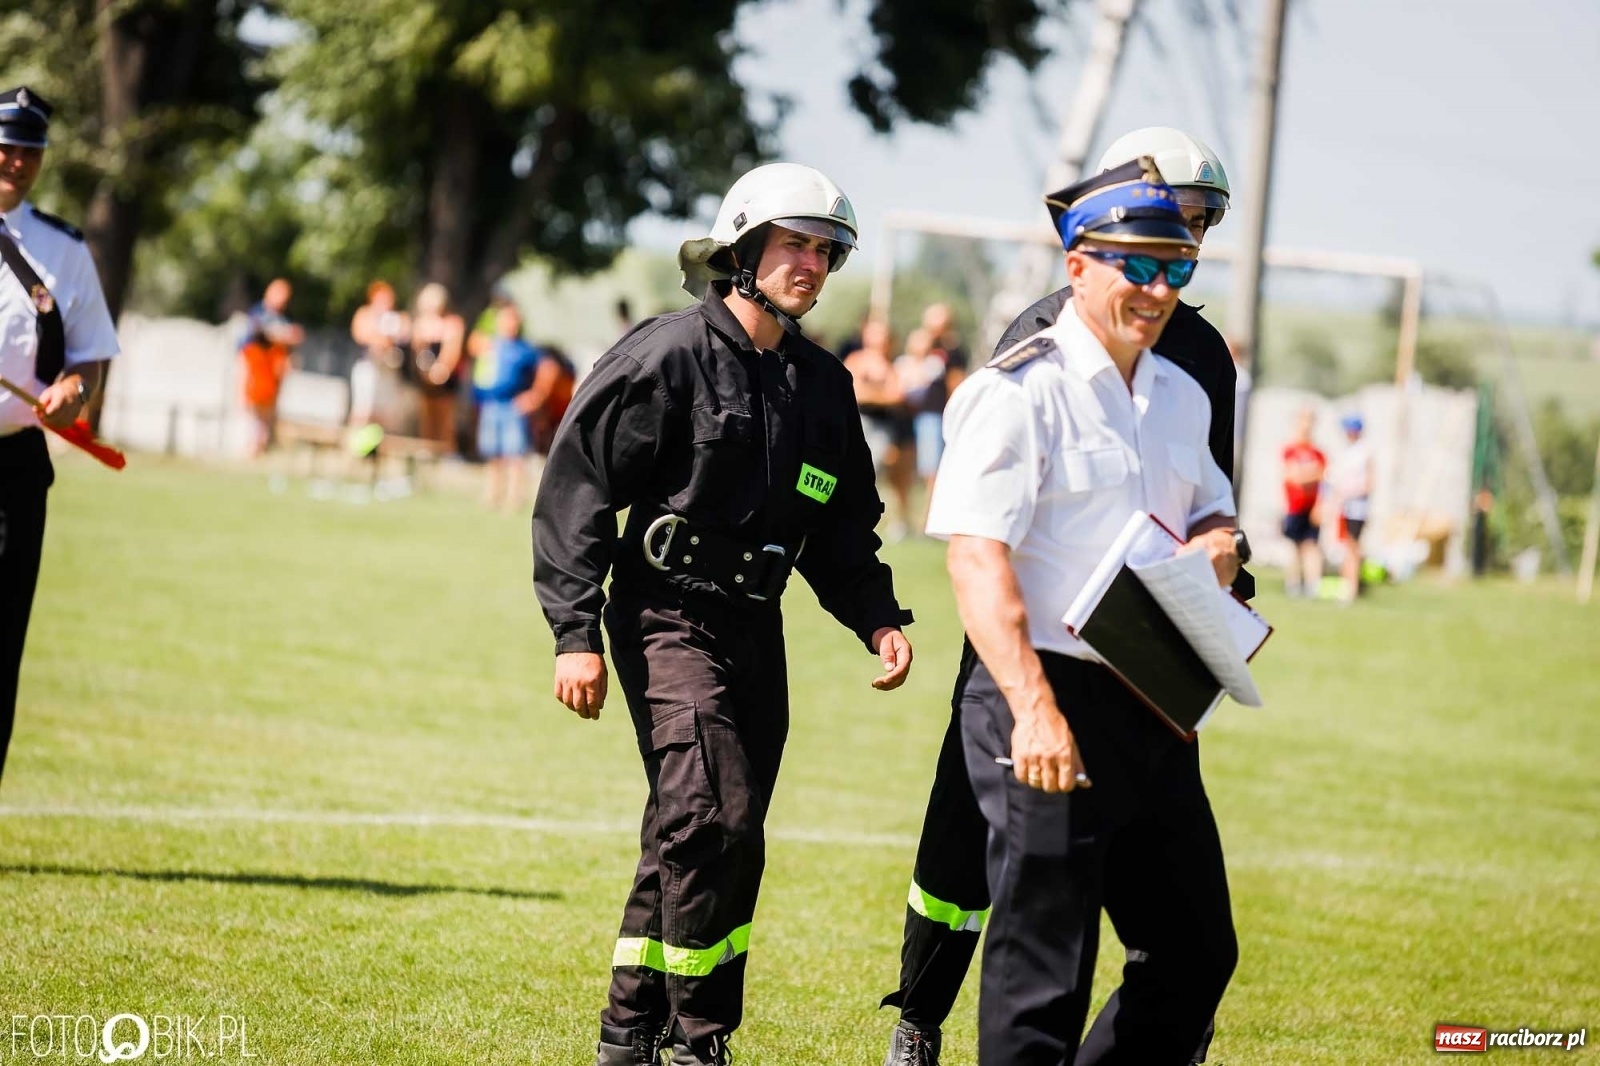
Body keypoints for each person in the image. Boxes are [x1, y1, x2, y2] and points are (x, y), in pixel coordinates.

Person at [532, 162, 915, 1066]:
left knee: (693, 830)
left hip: (758, 629)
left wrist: (877, 618)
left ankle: (628, 1036)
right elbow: (576, 491)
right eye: (794, 244)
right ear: (742, 250)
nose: (813, 265)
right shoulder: (663, 356)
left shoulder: (825, 386)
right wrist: (574, 633)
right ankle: (700, 1042)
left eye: (826, 252)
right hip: (665, 616)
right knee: (716, 820)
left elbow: (840, 530)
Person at [882, 126, 1249, 1066]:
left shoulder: (1182, 391)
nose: (1160, 287)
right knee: (1044, 971)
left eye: (1175, 264)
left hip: (1151, 701)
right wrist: (1033, 711)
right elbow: (975, 557)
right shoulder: (1018, 390)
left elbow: (1216, 513)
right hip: (1039, 696)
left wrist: (1214, 552)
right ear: (1079, 265)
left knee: (1195, 953)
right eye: (1138, 264)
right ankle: (919, 1018)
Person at [0, 86, 119, 785]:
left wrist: (75, 391)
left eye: (30, 150)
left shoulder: (62, 250)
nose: (16, 160)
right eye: (7, 145)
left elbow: (91, 352)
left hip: (13, 469)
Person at [845, 319, 915, 538]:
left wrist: (874, 392)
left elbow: (898, 395)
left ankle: (898, 521)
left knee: (890, 472)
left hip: (889, 425)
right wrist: (882, 393)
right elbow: (855, 392)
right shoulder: (857, 360)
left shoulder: (893, 366)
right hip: (864, 421)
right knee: (861, 469)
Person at [468, 300, 541, 509]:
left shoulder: (524, 350)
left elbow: (545, 372)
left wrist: (534, 396)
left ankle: (515, 497)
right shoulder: (490, 345)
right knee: (493, 454)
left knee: (515, 454)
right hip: (491, 404)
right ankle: (493, 494)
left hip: (512, 405)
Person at [910, 303, 968, 522]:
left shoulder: (953, 352)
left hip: (939, 414)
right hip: (920, 414)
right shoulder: (924, 345)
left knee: (935, 469)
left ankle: (932, 518)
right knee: (927, 470)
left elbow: (956, 382)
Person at [236, 277, 304, 457]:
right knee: (251, 407)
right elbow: (263, 333)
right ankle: (251, 446)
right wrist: (285, 335)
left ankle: (261, 445)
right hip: (255, 366)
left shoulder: (282, 318)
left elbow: (291, 339)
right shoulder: (259, 312)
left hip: (270, 371)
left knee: (267, 410)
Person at [348, 280, 414, 434]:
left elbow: (406, 334)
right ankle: (356, 442)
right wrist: (382, 339)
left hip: (388, 369)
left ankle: (374, 445)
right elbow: (360, 335)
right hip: (368, 366)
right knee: (363, 408)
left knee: (383, 412)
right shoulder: (364, 314)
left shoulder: (397, 317)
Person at [408, 282, 466, 455]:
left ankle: (447, 451)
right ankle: (428, 449)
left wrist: (441, 369)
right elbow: (419, 350)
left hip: (447, 377)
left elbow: (452, 351)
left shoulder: (453, 323)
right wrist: (426, 372)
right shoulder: (421, 323)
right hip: (426, 375)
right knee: (427, 415)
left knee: (446, 417)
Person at [1327, 413, 1373, 602]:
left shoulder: (1364, 452)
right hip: (1344, 507)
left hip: (1357, 508)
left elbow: (1369, 483)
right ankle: (1346, 585)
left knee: (1353, 547)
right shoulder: (1346, 452)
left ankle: (1352, 588)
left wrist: (1348, 492)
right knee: (1346, 547)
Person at [1281, 407, 1327, 597]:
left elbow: (1323, 478)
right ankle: (1293, 584)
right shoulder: (1290, 450)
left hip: (1312, 506)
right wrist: (1312, 474)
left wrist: (1308, 475)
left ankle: (1312, 586)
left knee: (1312, 546)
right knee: (1294, 546)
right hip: (1295, 505)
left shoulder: (1318, 453)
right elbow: (1293, 476)